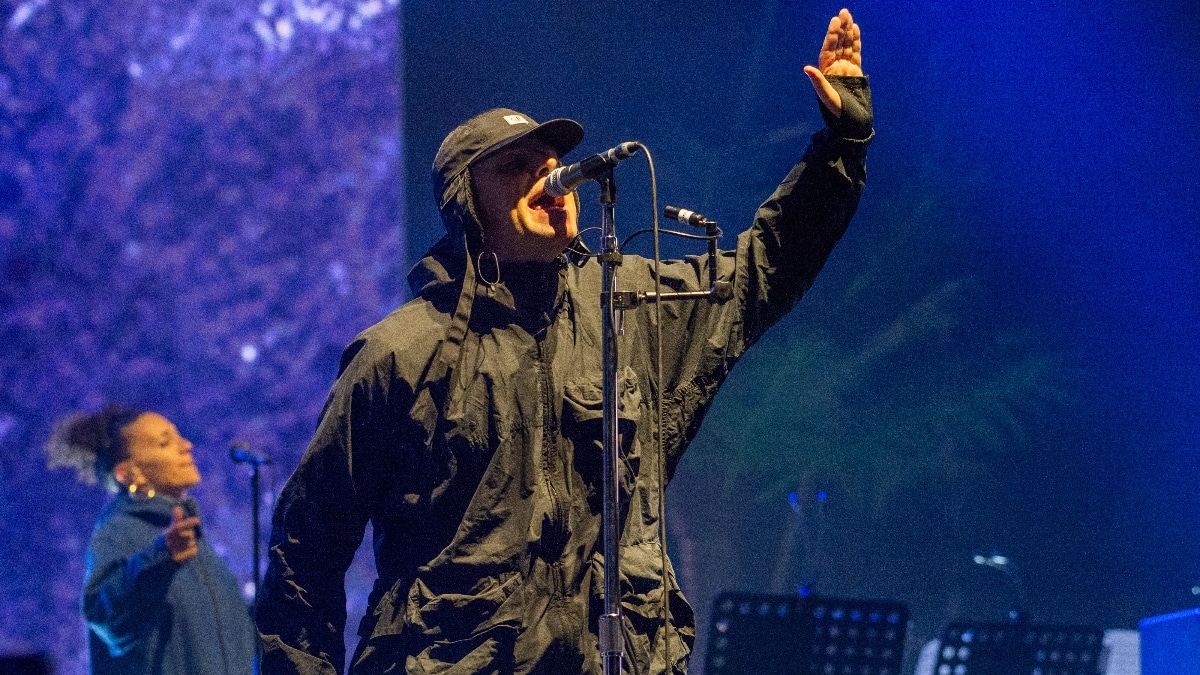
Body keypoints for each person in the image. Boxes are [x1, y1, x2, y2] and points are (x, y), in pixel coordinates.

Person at [256, 8, 872, 674]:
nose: (551, 176)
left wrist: (841, 143)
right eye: (517, 166)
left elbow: (761, 270)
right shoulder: (399, 353)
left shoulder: (630, 309)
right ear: (467, 202)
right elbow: (304, 554)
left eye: (554, 161)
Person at [46, 403, 256, 675]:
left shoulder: (192, 542)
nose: (187, 446)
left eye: (180, 437)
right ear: (128, 473)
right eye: (165, 442)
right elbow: (105, 614)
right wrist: (160, 557)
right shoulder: (121, 531)